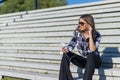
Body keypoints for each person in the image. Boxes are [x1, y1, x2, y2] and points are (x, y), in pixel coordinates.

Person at [59, 14, 102, 80]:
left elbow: (92, 50)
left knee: (91, 55)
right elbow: (71, 45)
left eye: (82, 23)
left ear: (88, 24)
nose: (79, 25)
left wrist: (90, 34)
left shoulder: (96, 35)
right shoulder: (77, 33)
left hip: (94, 61)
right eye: (79, 23)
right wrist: (66, 49)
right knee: (66, 54)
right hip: (84, 60)